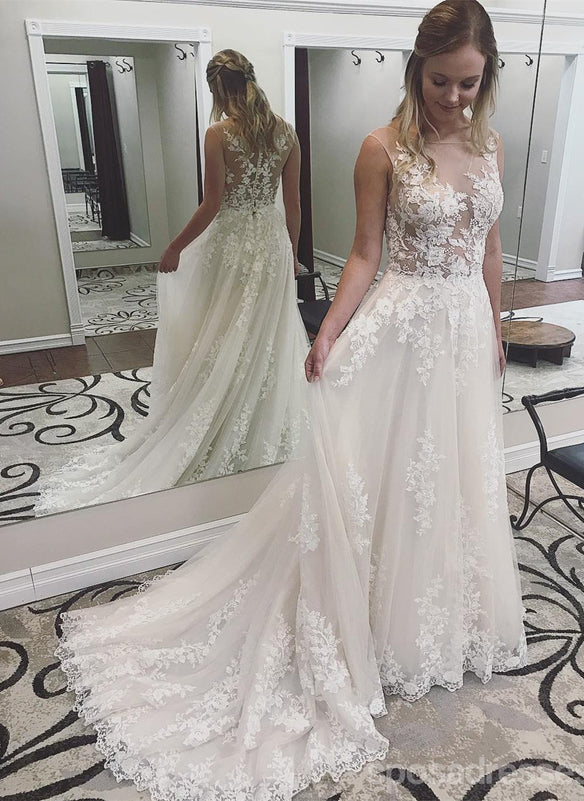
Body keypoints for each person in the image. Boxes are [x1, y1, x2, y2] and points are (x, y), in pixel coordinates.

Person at [54, 3, 527, 798]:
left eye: (470, 83)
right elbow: (365, 253)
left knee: (449, 476)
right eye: (441, 81)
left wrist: (495, 325)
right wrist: (328, 330)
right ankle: (365, 620)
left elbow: (489, 248)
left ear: (488, 78)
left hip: (463, 334)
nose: (455, 98)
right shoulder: (381, 147)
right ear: (417, 70)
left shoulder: (491, 146)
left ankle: (434, 620)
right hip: (403, 329)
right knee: (379, 478)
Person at [37, 50, 308, 515]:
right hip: (271, 245)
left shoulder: (219, 133)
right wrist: (293, 254)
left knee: (223, 329)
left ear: (217, 88)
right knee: (264, 333)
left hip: (233, 242)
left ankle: (221, 412)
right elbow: (294, 203)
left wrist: (175, 247)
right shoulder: (286, 132)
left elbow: (212, 203)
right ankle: (257, 416)